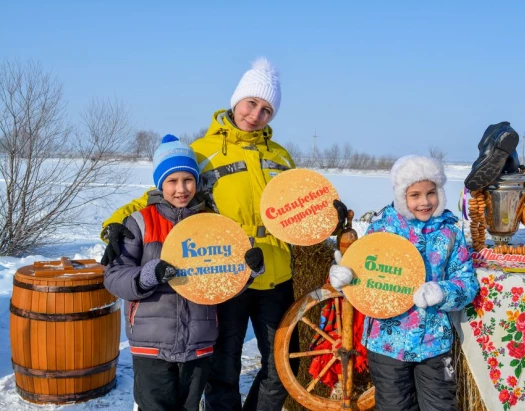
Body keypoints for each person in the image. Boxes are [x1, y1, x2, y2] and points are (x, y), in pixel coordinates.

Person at [100, 58, 347, 411]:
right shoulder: (203, 152)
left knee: (283, 367)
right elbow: (159, 194)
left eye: (266, 110)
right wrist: (114, 225)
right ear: (236, 100)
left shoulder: (280, 156)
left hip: (275, 275)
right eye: (252, 103)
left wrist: (330, 215)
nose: (256, 114)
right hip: (224, 273)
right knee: (223, 371)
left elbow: (302, 206)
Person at [104, 134, 265, 411]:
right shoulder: (140, 222)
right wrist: (146, 277)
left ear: (197, 181)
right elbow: (114, 276)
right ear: (160, 184)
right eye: (172, 181)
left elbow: (221, 282)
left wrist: (247, 272)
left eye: (188, 179)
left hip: (199, 343)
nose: (181, 189)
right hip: (151, 343)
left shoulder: (211, 225)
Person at [329, 155, 479, 411]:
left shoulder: (450, 232)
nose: (424, 202)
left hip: (434, 344)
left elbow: (466, 282)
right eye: (415, 195)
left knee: (440, 406)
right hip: (387, 343)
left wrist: (442, 292)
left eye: (431, 193)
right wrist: (346, 278)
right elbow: (364, 274)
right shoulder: (382, 229)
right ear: (401, 197)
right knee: (394, 406)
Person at [464, 121, 521, 191]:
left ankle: (490, 148)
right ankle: (512, 163)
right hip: (511, 170)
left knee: (485, 161)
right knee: (510, 164)